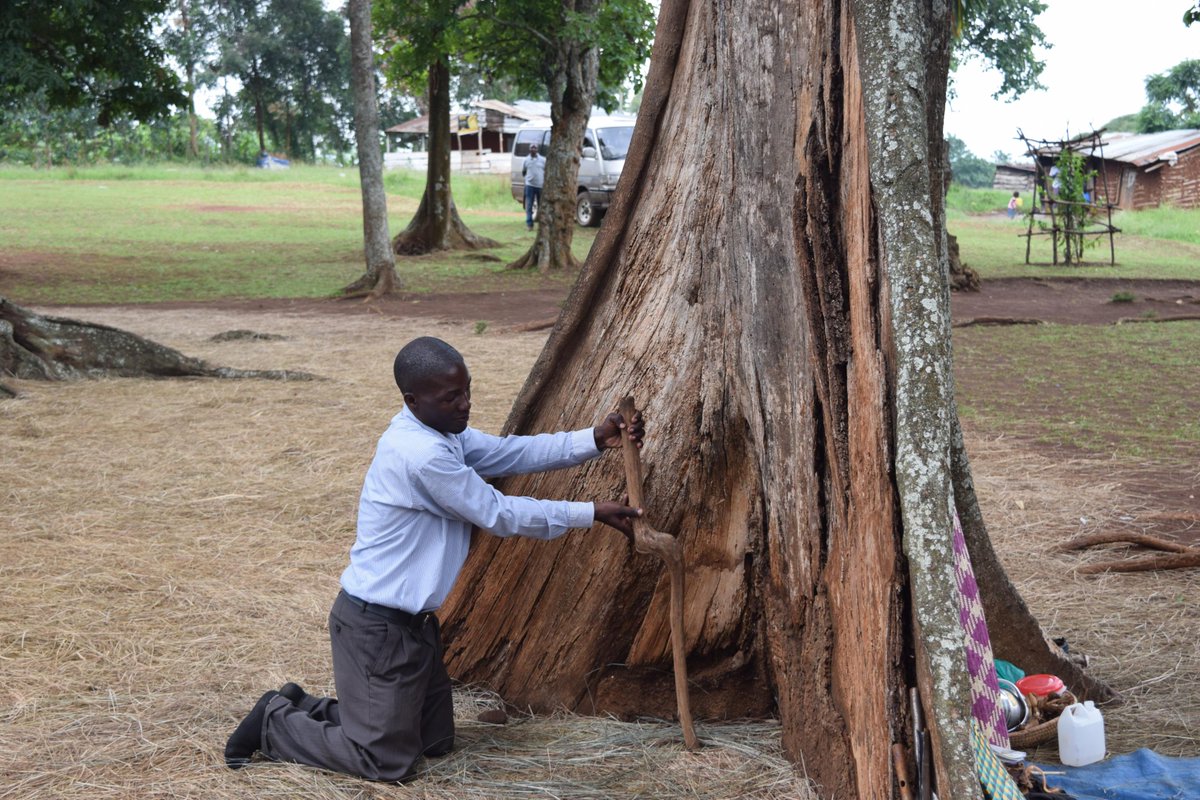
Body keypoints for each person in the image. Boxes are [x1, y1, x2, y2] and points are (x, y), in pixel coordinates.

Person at [224, 336, 644, 782]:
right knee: (387, 762)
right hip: (376, 629)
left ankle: (305, 706)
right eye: (451, 397)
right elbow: (498, 514)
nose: (465, 404)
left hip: (414, 630)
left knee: (434, 741)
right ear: (413, 400)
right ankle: (274, 722)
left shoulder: (442, 432)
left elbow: (508, 452)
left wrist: (594, 438)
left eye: (467, 390)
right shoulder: (421, 455)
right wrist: (591, 512)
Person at [522, 144, 545, 230]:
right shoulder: (526, 160)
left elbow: (546, 171)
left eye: (535, 148)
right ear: (529, 150)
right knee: (529, 205)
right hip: (529, 186)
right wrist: (528, 179)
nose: (533, 149)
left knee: (541, 206)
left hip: (540, 186)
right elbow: (523, 172)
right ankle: (529, 224)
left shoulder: (543, 160)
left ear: (537, 150)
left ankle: (542, 225)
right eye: (532, 148)